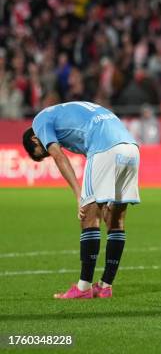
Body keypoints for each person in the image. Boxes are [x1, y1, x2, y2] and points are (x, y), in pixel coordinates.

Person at [22, 101, 140, 299]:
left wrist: (79, 195)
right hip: (131, 148)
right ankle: (105, 286)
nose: (49, 154)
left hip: (105, 148)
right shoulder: (65, 113)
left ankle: (83, 288)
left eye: (43, 152)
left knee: (88, 216)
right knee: (115, 219)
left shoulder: (39, 121)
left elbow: (59, 156)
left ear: (35, 139)